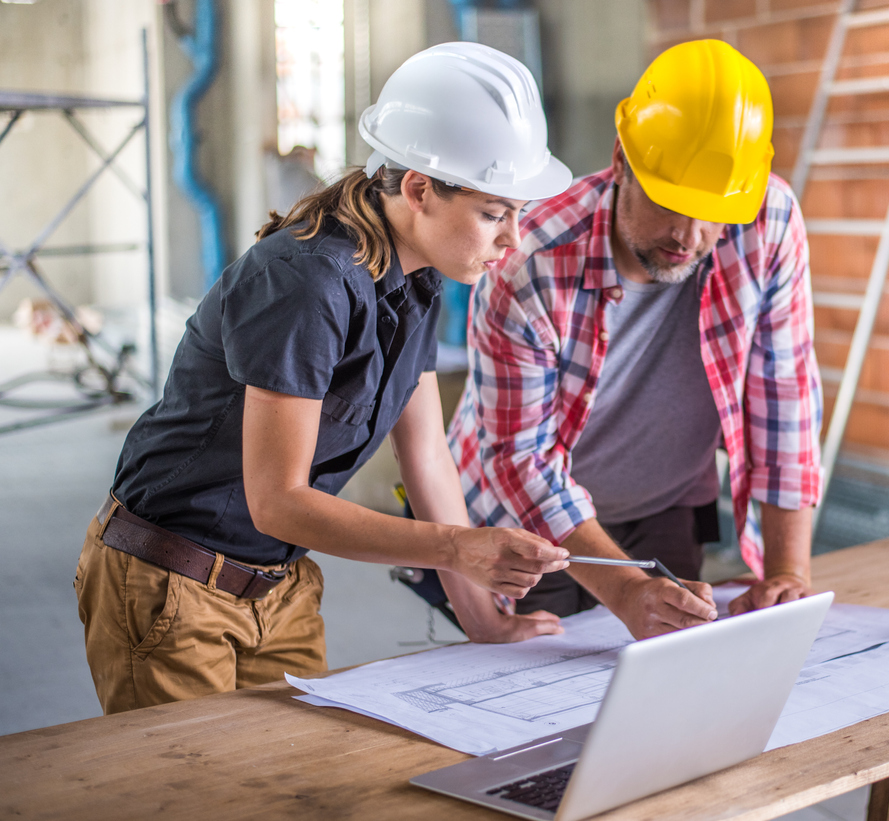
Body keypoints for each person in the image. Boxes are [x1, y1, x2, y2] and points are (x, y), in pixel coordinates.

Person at [75, 42, 574, 715]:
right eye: (494, 213)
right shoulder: (307, 281)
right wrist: (460, 547)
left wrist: (486, 618)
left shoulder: (420, 279)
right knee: (191, 796)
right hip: (170, 580)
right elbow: (277, 500)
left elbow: (426, 456)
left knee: (300, 789)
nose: (512, 238)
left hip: (277, 584)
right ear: (419, 189)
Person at [445, 39, 823, 641]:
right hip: (526, 513)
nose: (688, 235)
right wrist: (624, 589)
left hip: (664, 500)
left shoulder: (768, 221)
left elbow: (786, 400)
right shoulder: (528, 261)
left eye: (712, 213)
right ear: (621, 161)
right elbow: (522, 456)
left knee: (670, 674)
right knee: (533, 698)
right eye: (670, 203)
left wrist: (785, 570)